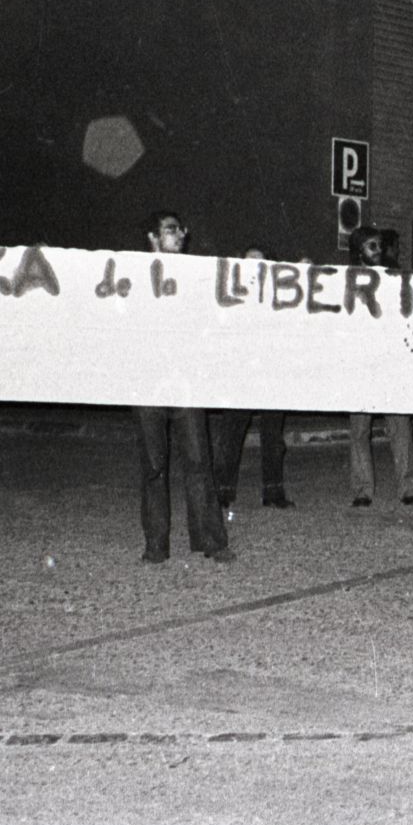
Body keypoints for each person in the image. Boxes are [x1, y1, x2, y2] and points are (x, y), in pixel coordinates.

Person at [132, 211, 233, 564]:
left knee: (198, 461)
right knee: (154, 466)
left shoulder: (196, 278)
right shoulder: (136, 278)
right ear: (153, 238)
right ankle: (156, 545)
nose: (179, 235)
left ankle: (210, 540)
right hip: (150, 384)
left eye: (180, 230)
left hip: (187, 382)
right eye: (170, 230)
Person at [212, 246, 293, 514]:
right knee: (231, 435)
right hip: (241, 374)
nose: (255, 267)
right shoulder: (233, 296)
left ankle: (273, 491)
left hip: (270, 375)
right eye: (249, 262)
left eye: (260, 262)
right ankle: (223, 492)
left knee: (273, 437)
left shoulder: (276, 297)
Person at [346, 226, 413, 507]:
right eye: (371, 246)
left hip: (390, 364)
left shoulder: (395, 278)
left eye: (378, 245)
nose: (378, 251)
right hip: (362, 365)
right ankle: (362, 490)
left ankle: (408, 488)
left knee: (400, 427)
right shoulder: (348, 282)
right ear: (359, 252)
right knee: (360, 431)